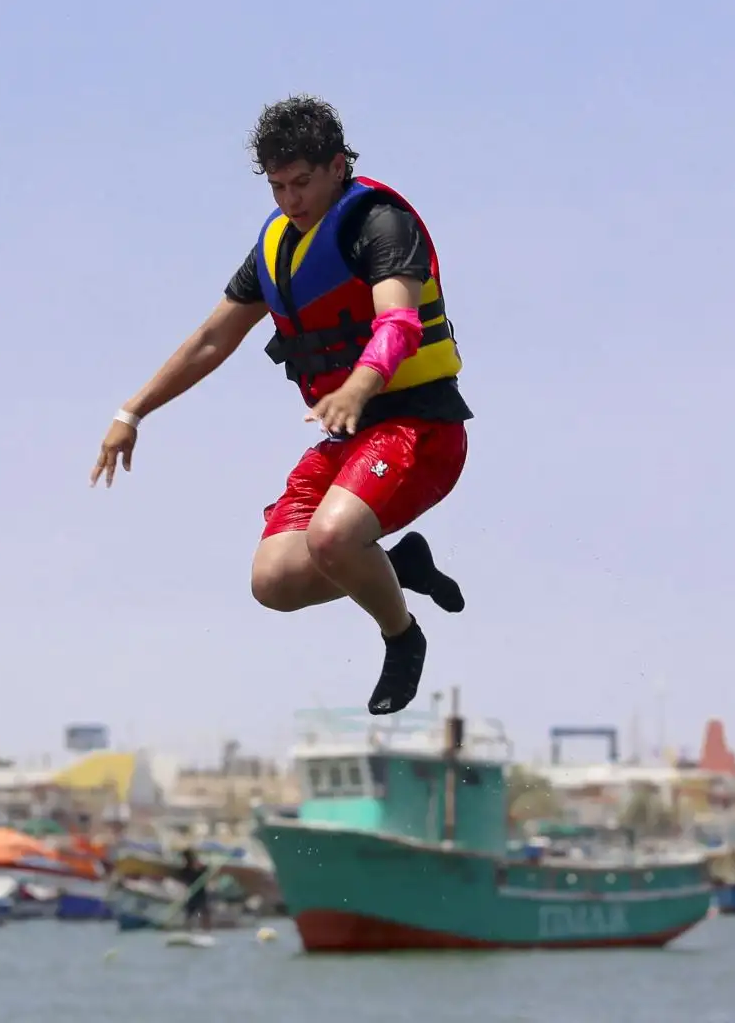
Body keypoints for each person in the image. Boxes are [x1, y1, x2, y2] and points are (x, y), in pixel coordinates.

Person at [90, 94, 472, 715]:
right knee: (274, 582)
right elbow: (213, 338)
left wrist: (358, 384)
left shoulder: (378, 222)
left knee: (333, 537)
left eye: (302, 182)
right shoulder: (277, 247)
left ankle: (402, 636)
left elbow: (398, 323)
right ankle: (395, 566)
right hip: (350, 437)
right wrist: (131, 412)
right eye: (277, 186)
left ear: (337, 165)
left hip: (418, 425)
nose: (291, 200)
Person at [177, 847, 211, 931]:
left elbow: (206, 870)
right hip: (193, 893)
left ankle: (205, 929)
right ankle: (190, 929)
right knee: (193, 913)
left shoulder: (196, 869)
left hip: (199, 892)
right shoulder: (186, 870)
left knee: (202, 912)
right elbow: (185, 878)